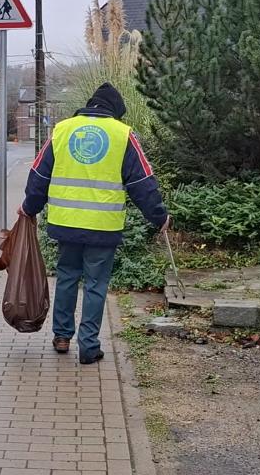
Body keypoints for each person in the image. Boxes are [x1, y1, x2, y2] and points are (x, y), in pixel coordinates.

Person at [19, 82, 169, 364]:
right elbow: (142, 182)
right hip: (103, 225)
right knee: (96, 285)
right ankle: (88, 346)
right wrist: (159, 216)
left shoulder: (62, 130)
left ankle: (62, 336)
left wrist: (29, 208)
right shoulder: (122, 134)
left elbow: (39, 174)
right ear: (115, 112)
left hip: (66, 223)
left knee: (66, 278)